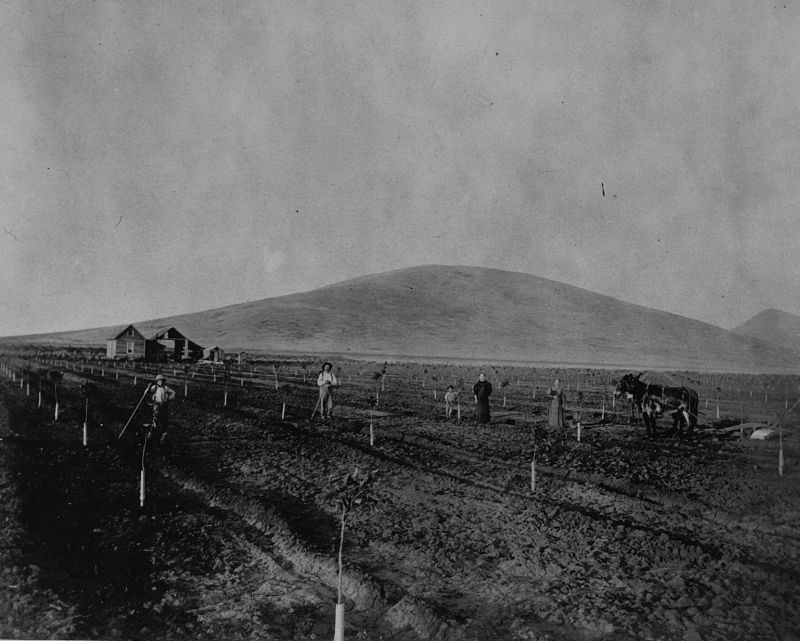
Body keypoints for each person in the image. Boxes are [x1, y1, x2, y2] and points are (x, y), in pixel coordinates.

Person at [148, 373, 176, 445]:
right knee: (155, 419)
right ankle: (152, 433)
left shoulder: (165, 388)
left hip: (164, 405)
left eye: (162, 380)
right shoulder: (155, 387)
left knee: (164, 419)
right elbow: (149, 391)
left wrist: (169, 399)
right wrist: (149, 387)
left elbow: (173, 393)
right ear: (157, 381)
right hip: (156, 405)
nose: (161, 382)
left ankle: (163, 435)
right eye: (159, 380)